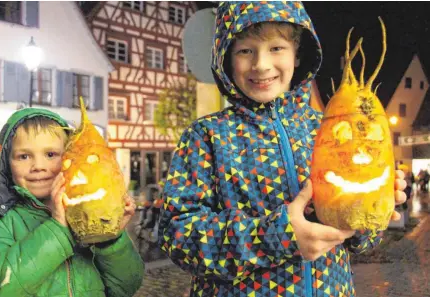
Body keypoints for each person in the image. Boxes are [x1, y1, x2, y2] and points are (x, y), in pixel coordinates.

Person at [158, 2, 407, 296]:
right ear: (225, 58)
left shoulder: (329, 129)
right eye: (245, 51)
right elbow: (177, 236)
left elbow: (356, 241)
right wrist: (274, 236)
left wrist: (372, 214)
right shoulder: (206, 136)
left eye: (276, 48)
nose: (261, 64)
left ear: (298, 54)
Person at [0, 108, 144, 297]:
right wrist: (58, 229)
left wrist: (110, 241)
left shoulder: (88, 220)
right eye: (24, 156)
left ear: (69, 158)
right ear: (6, 163)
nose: (38, 166)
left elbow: (126, 287)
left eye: (50, 154)